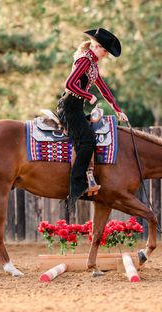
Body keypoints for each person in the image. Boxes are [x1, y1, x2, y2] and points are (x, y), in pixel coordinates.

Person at [57, 27, 128, 212]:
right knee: (87, 142)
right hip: (70, 107)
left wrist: (118, 110)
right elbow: (69, 84)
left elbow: (104, 89)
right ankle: (77, 186)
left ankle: (86, 179)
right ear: (96, 46)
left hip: (76, 107)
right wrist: (88, 96)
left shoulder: (93, 64)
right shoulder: (84, 60)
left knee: (89, 138)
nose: (105, 54)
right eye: (105, 50)